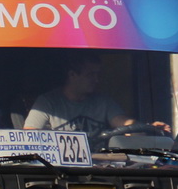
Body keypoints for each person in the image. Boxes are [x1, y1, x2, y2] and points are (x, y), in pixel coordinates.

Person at [23, 54, 168, 139]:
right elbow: (29, 136)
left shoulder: (103, 102)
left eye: (98, 74)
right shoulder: (47, 103)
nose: (97, 80)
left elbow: (124, 124)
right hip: (60, 169)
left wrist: (147, 128)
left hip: (99, 167)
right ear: (72, 75)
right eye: (91, 75)